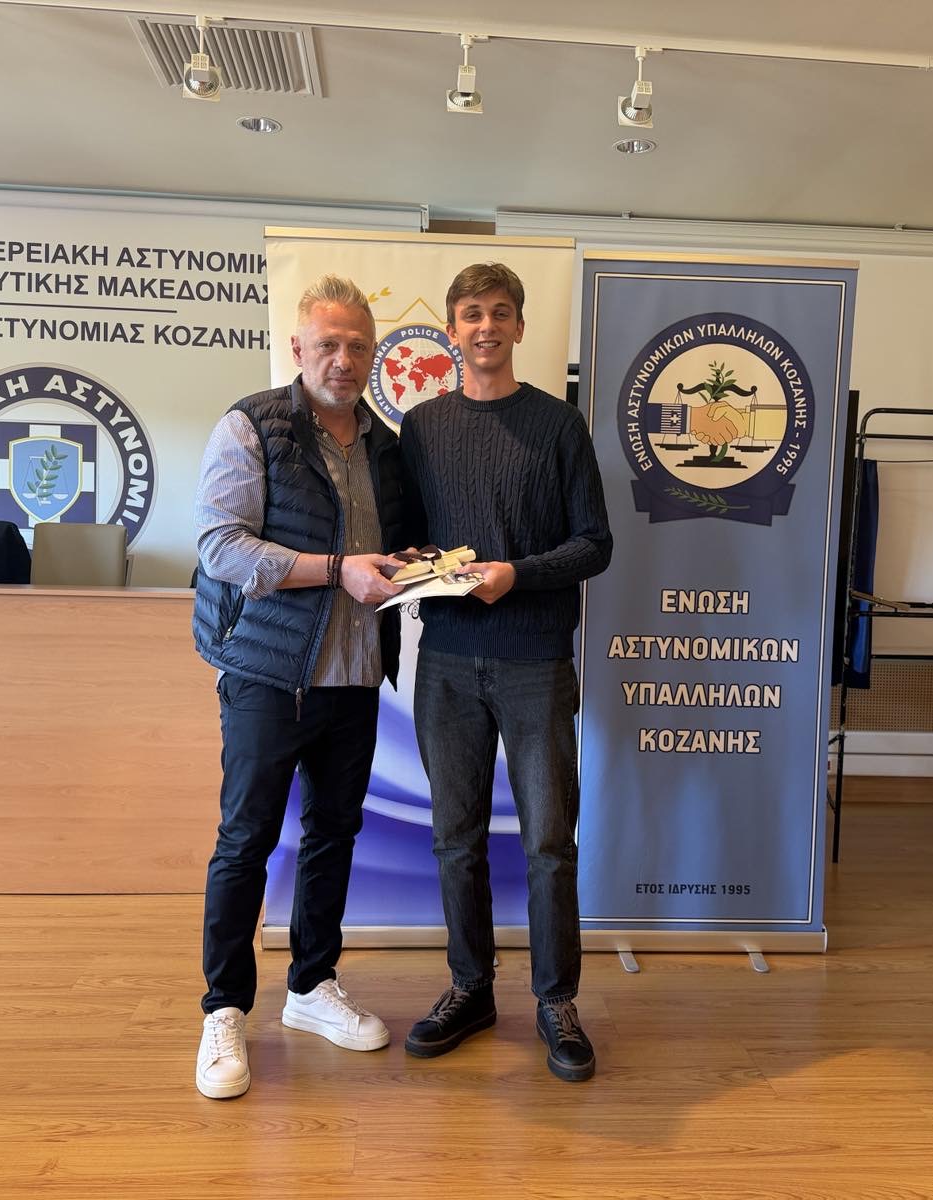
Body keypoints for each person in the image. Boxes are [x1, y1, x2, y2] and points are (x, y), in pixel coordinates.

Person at [191, 274, 410, 1100]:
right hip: (266, 675)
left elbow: (390, 551)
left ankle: (312, 985)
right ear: (297, 348)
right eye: (328, 344)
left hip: (354, 677)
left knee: (333, 836)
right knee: (245, 841)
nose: (343, 359)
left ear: (374, 353)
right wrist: (335, 570)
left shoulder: (387, 446)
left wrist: (416, 569)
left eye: (358, 345)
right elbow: (220, 546)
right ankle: (224, 1010)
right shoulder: (252, 425)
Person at [399, 263, 613, 1082]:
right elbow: (410, 535)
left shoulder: (559, 425)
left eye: (499, 312)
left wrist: (515, 574)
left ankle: (556, 1001)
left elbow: (595, 544)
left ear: (520, 327)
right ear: (451, 329)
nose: (485, 326)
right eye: (470, 313)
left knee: (549, 844)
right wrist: (425, 563)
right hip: (447, 661)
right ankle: (471, 989)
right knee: (455, 840)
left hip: (535, 663)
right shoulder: (421, 427)